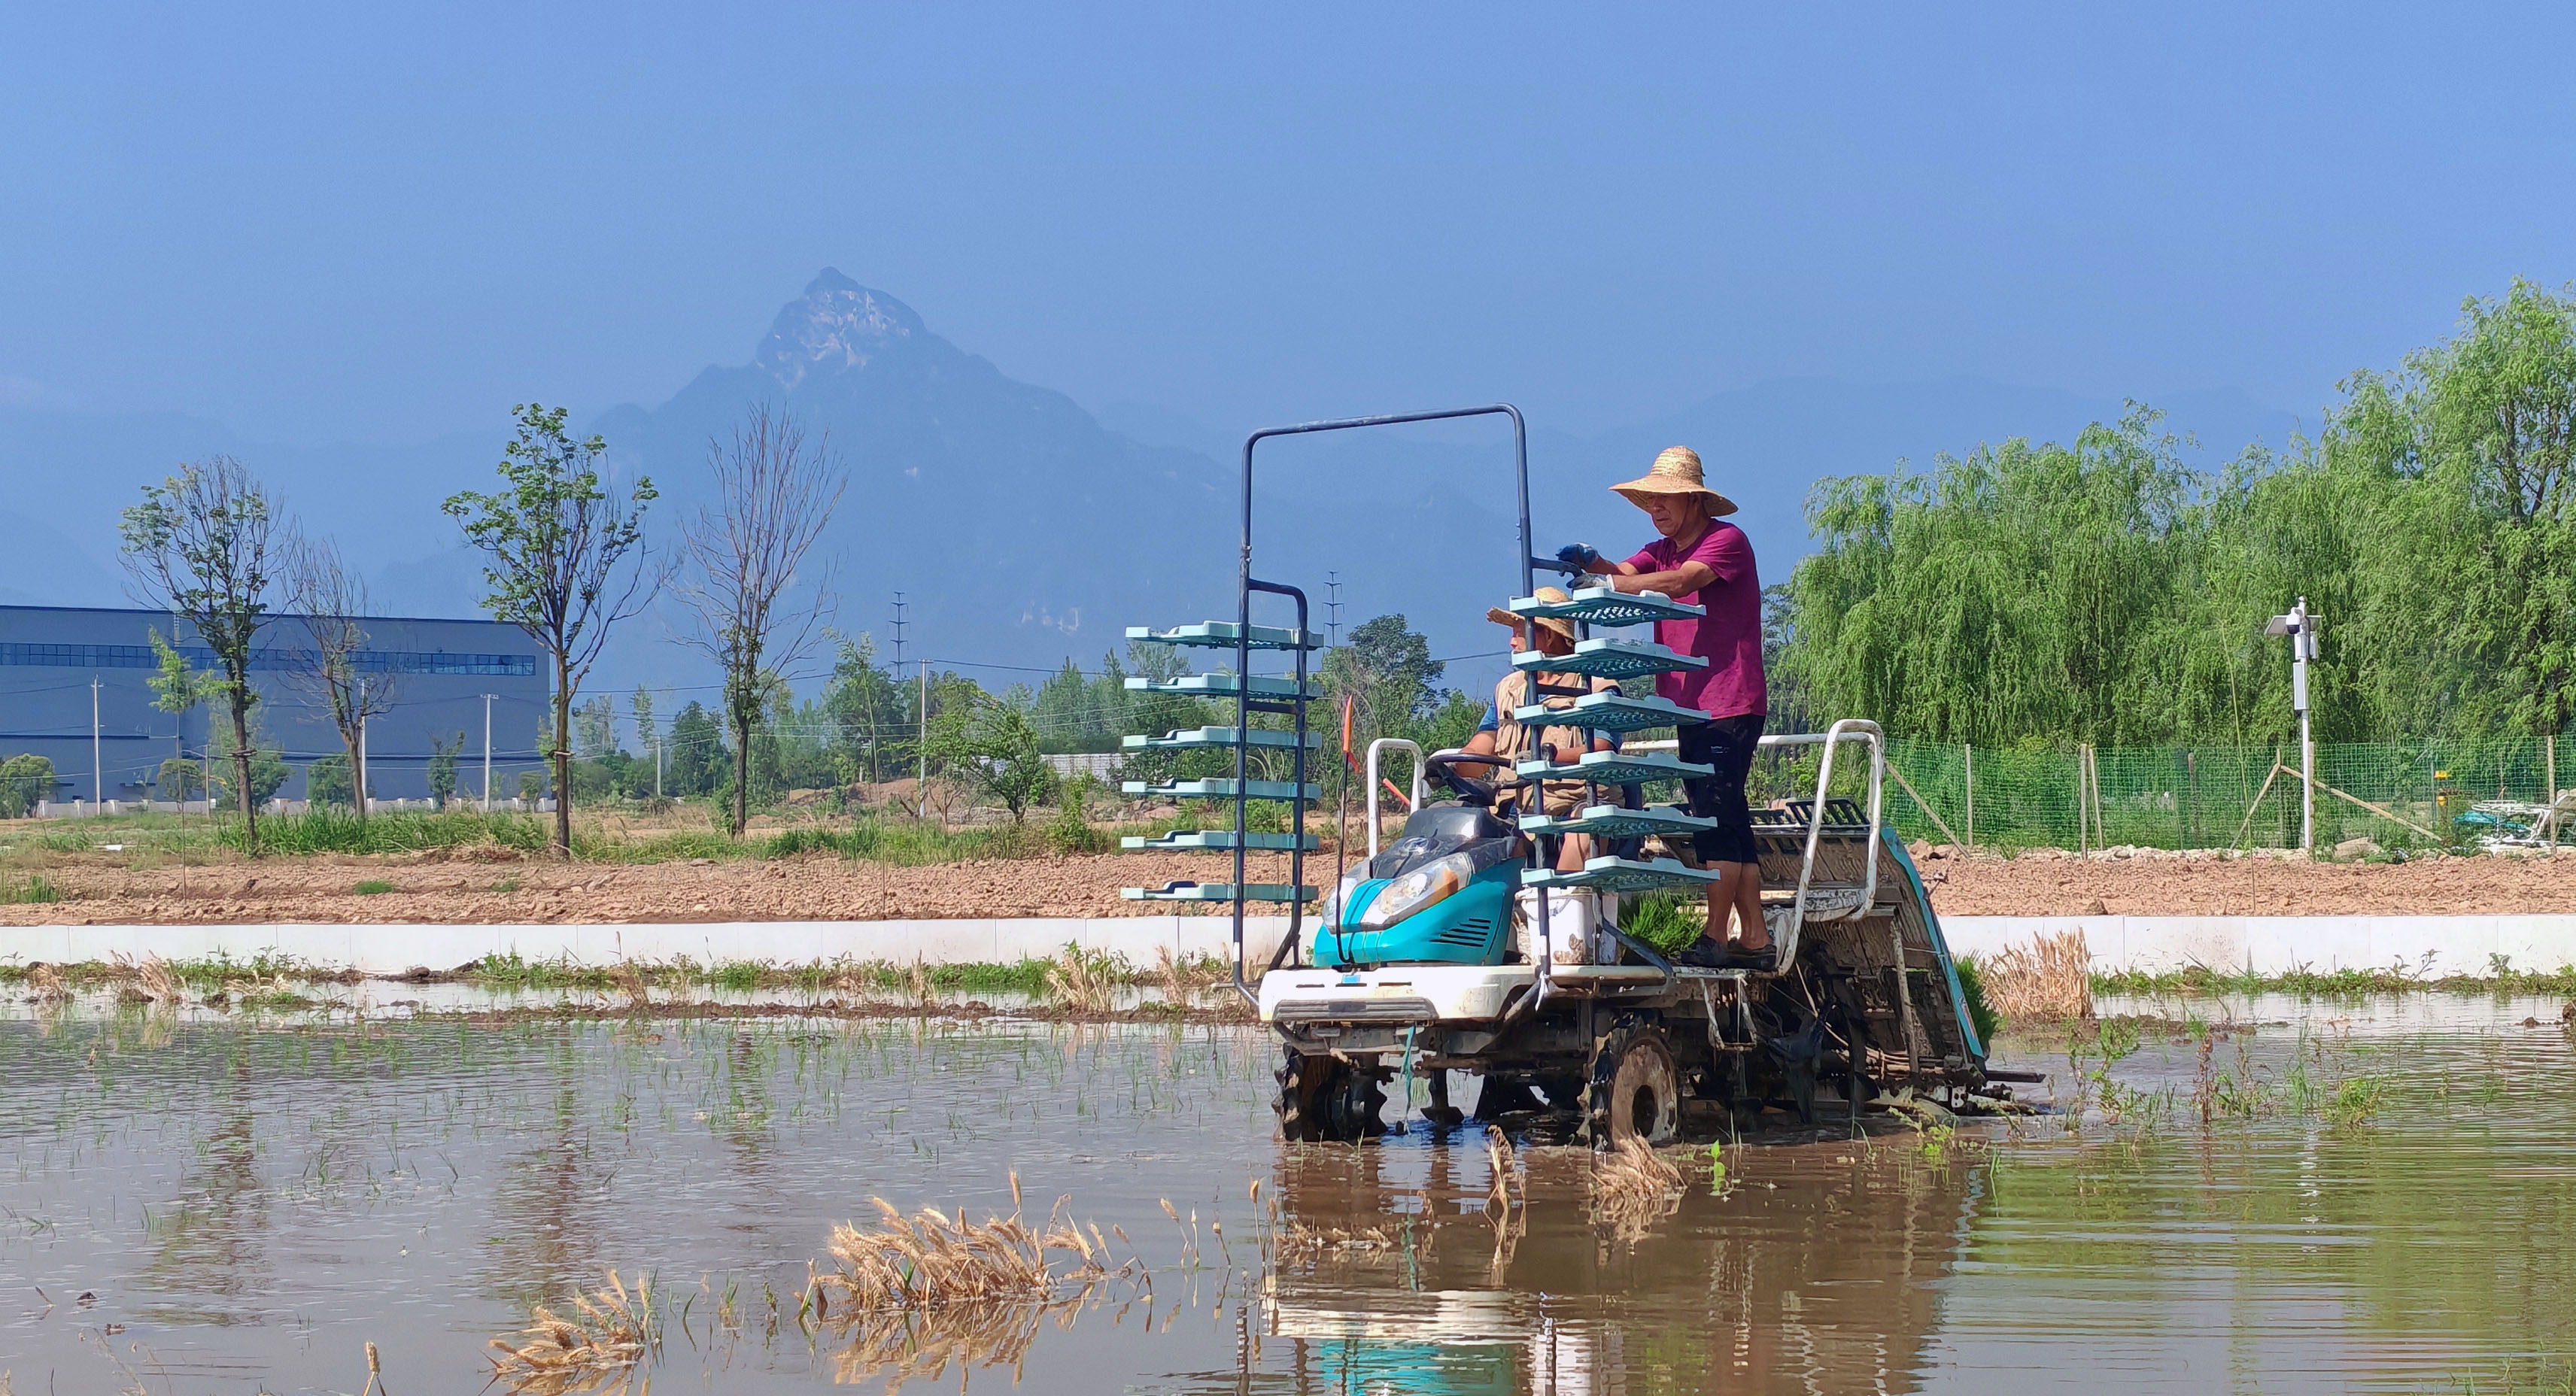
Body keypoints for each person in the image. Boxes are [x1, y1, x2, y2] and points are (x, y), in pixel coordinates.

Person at [1557, 445, 1769, 968]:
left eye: (1667, 499)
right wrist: (1593, 566)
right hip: (1690, 705)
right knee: (1725, 814)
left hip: (1729, 700)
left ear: (1696, 501)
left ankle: (1716, 934)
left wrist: (1609, 581)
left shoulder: (1726, 542)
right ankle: (1756, 937)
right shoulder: (1660, 549)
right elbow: (1625, 572)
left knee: (1715, 815)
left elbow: (1681, 583)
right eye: (1650, 500)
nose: (1657, 508)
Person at [1451, 587, 1620, 872]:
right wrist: (1454, 764)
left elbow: (1603, 748)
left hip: (1577, 803)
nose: (1512, 641)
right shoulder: (1507, 688)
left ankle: (1567, 906)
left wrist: (1549, 757)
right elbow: (1483, 745)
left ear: (1549, 635)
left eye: (1519, 631)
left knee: (1586, 828)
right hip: (1516, 810)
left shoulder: (1597, 687)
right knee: (1452, 831)